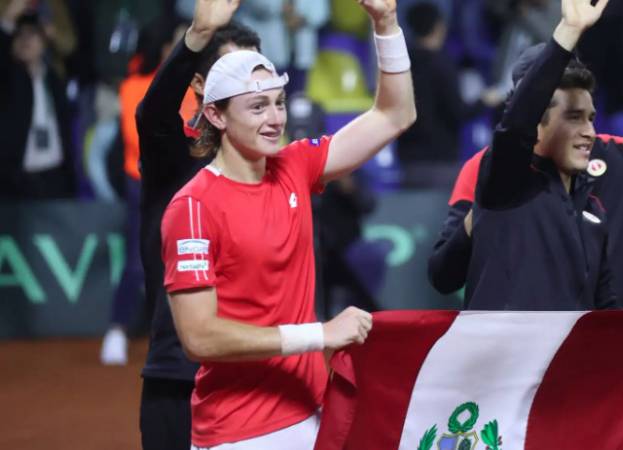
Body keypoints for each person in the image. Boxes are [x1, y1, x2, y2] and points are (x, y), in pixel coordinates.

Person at [161, 0, 415, 448]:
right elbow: (200, 337)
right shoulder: (194, 207)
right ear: (216, 115)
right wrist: (319, 334)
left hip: (311, 413)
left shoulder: (295, 165)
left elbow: (395, 115)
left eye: (278, 103)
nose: (275, 119)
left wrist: (386, 24)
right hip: (239, 432)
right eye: (257, 107)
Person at [432, 0, 623, 345]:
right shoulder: (489, 170)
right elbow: (443, 275)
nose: (589, 132)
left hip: (597, 356)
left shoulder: (619, 162)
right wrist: (476, 221)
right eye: (572, 115)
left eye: (590, 117)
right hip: (509, 355)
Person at [135, 2, 262, 449]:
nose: (249, 89)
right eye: (233, 74)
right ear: (200, 86)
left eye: (256, 75)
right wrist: (197, 37)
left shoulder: (276, 168)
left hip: (254, 381)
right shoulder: (174, 157)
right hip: (179, 381)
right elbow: (152, 114)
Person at [100, 16, 192, 366]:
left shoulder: (200, 87)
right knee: (138, 263)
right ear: (165, 48)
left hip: (190, 183)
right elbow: (137, 141)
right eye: (181, 41)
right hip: (144, 184)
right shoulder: (134, 86)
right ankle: (117, 331)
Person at [396, 1, 501, 187]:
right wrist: (485, 101)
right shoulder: (442, 64)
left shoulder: (401, 66)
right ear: (438, 27)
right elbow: (458, 112)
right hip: (440, 162)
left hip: (407, 162)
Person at [0, 0, 76, 200]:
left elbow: (73, 51)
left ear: (43, 40)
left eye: (32, 34)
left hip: (54, 175)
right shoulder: (8, 78)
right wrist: (7, 22)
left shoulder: (54, 79)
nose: (26, 41)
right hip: (17, 180)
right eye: (20, 35)